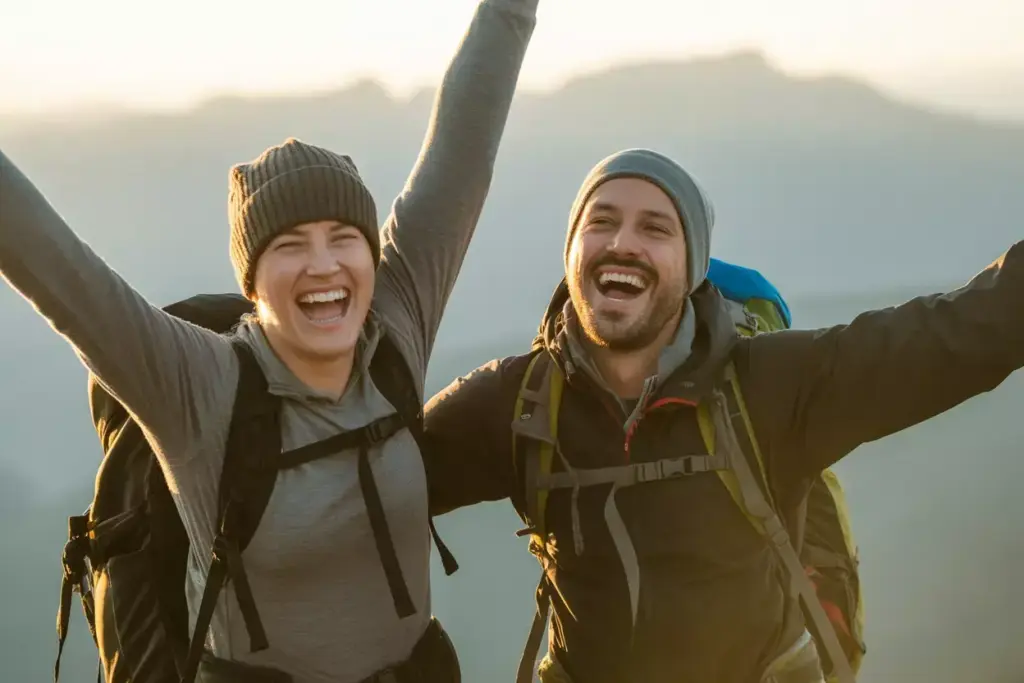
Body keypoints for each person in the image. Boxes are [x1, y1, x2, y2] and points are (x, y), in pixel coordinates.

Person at [0, 1, 538, 681]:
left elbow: (464, 147)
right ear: (252, 283)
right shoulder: (199, 387)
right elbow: (52, 263)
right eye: (290, 246)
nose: (324, 265)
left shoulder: (394, 332)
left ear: (374, 259)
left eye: (345, 238)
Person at [421, 147, 1024, 683]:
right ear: (573, 251)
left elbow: (960, 331)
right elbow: (365, 475)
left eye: (656, 228)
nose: (623, 242)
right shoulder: (517, 405)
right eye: (600, 221)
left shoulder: (769, 387)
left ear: (693, 269)